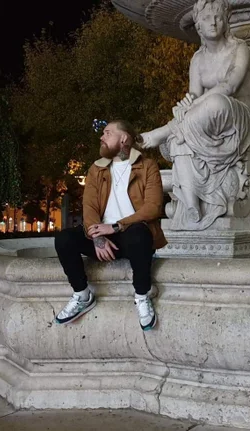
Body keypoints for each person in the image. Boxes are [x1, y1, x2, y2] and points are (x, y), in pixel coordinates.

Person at [140, 0, 250, 231]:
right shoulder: (198, 59)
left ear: (225, 22)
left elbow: (230, 86)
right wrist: (186, 104)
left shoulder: (239, 48)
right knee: (180, 138)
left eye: (218, 17)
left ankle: (164, 131)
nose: (213, 22)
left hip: (238, 117)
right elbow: (194, 94)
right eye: (206, 18)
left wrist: (193, 105)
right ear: (198, 26)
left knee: (215, 102)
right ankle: (192, 205)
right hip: (209, 119)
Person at [53, 121, 167, 330]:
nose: (101, 137)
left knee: (139, 233)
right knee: (64, 238)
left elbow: (153, 207)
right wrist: (97, 236)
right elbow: (89, 207)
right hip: (103, 238)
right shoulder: (97, 169)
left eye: (107, 133)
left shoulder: (147, 166)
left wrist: (116, 227)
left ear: (123, 138)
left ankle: (142, 296)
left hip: (132, 237)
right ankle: (82, 295)